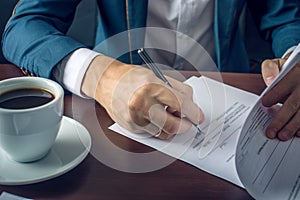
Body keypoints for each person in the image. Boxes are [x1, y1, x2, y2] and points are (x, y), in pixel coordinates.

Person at [2, 0, 300, 141]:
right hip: (108, 115)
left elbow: (285, 15)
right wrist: (104, 78)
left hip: (231, 103)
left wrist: (294, 55)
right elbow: (24, 27)